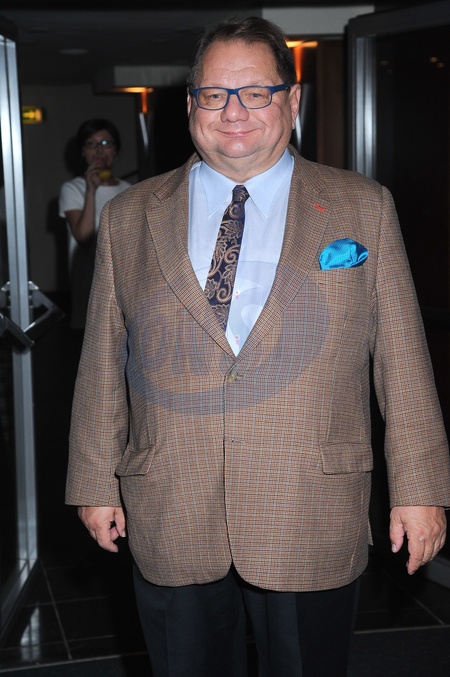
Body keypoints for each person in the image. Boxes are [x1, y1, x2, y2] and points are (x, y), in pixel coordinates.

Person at [65, 16, 450, 677]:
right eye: (215, 94)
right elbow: (103, 359)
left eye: (256, 92)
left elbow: (402, 357)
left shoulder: (362, 207)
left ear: (292, 100)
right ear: (191, 105)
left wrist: (420, 488)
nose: (234, 112)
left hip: (308, 504)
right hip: (172, 503)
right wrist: (94, 481)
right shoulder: (130, 216)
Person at [58, 118, 131, 336]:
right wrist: (91, 191)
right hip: (87, 283)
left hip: (123, 284)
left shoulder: (129, 190)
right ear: (82, 151)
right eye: (91, 144)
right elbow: (83, 236)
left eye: (105, 143)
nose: (99, 151)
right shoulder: (72, 188)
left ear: (115, 150)